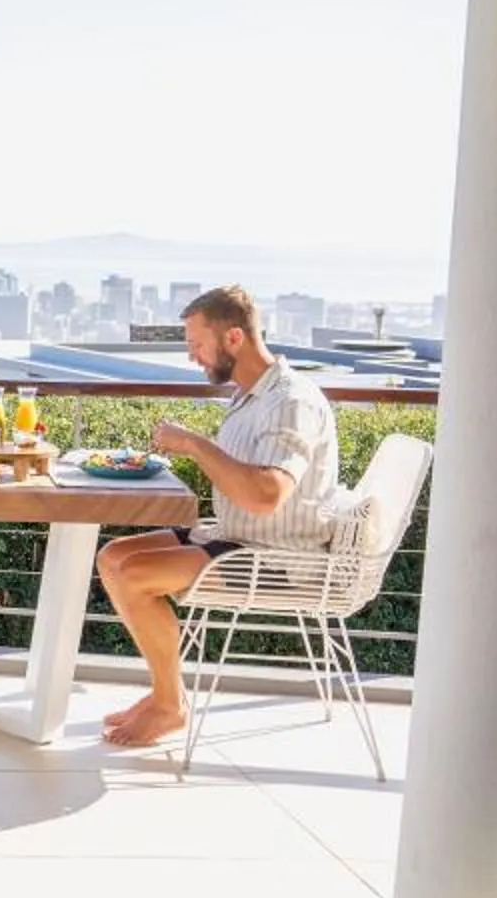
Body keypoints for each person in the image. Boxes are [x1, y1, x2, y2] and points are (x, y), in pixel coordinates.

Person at [94, 287, 344, 750]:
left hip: (277, 558)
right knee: (114, 556)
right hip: (234, 536)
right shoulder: (252, 395)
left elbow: (267, 494)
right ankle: (164, 693)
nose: (193, 358)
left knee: (134, 576)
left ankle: (170, 705)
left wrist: (194, 444)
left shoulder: (291, 401)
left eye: (197, 345)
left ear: (233, 338)